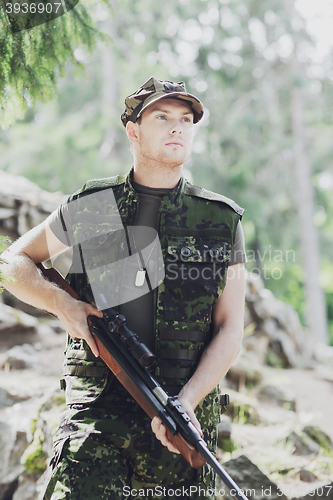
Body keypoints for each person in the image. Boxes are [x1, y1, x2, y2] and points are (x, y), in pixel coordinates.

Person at [1, 76, 246, 499]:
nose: (177, 128)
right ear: (133, 130)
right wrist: (63, 304)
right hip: (96, 420)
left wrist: (187, 401)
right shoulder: (94, 206)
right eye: (162, 117)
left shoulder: (221, 221)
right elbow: (12, 263)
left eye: (186, 120)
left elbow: (232, 329)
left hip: (180, 422)